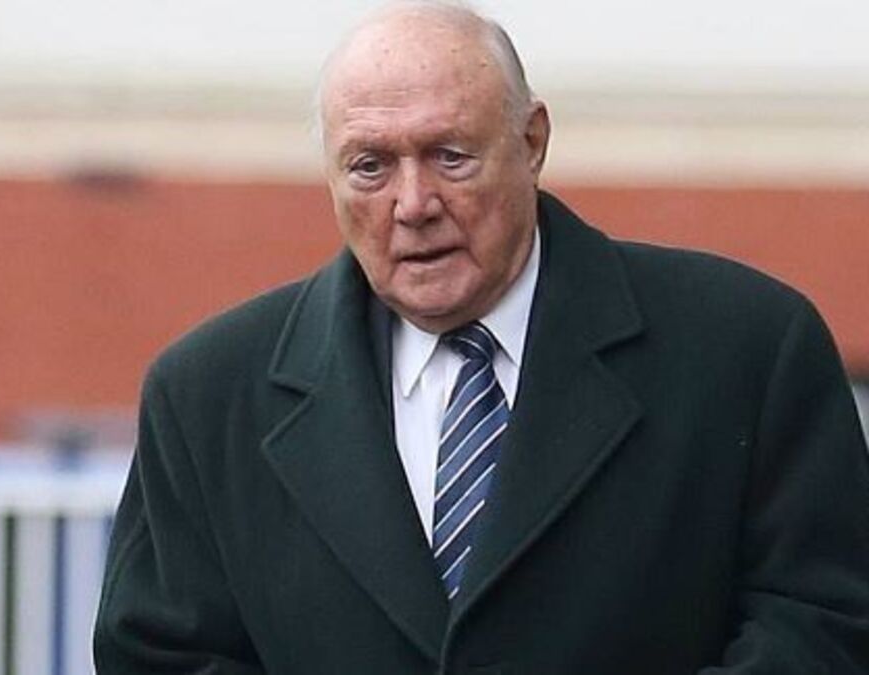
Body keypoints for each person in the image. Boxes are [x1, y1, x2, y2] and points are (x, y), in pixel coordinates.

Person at [94, 1, 869, 672]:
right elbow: (162, 655)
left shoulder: (745, 348)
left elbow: (824, 625)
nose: (413, 203)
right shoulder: (208, 396)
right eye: (369, 167)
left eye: (450, 156)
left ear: (532, 142)